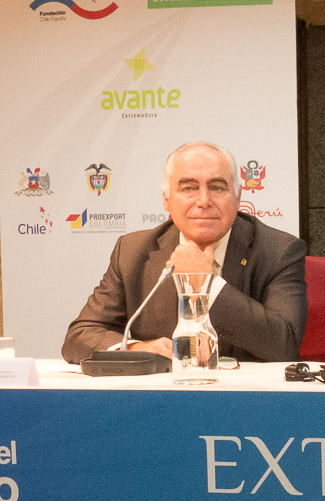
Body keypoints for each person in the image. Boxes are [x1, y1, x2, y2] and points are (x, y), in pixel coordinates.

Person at [62, 141, 308, 364]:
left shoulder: (278, 251)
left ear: (237, 197)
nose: (203, 201)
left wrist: (207, 283)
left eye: (217, 188)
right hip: (159, 394)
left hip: (243, 394)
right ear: (167, 199)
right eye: (189, 188)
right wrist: (138, 348)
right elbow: (80, 336)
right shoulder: (133, 251)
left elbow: (284, 345)